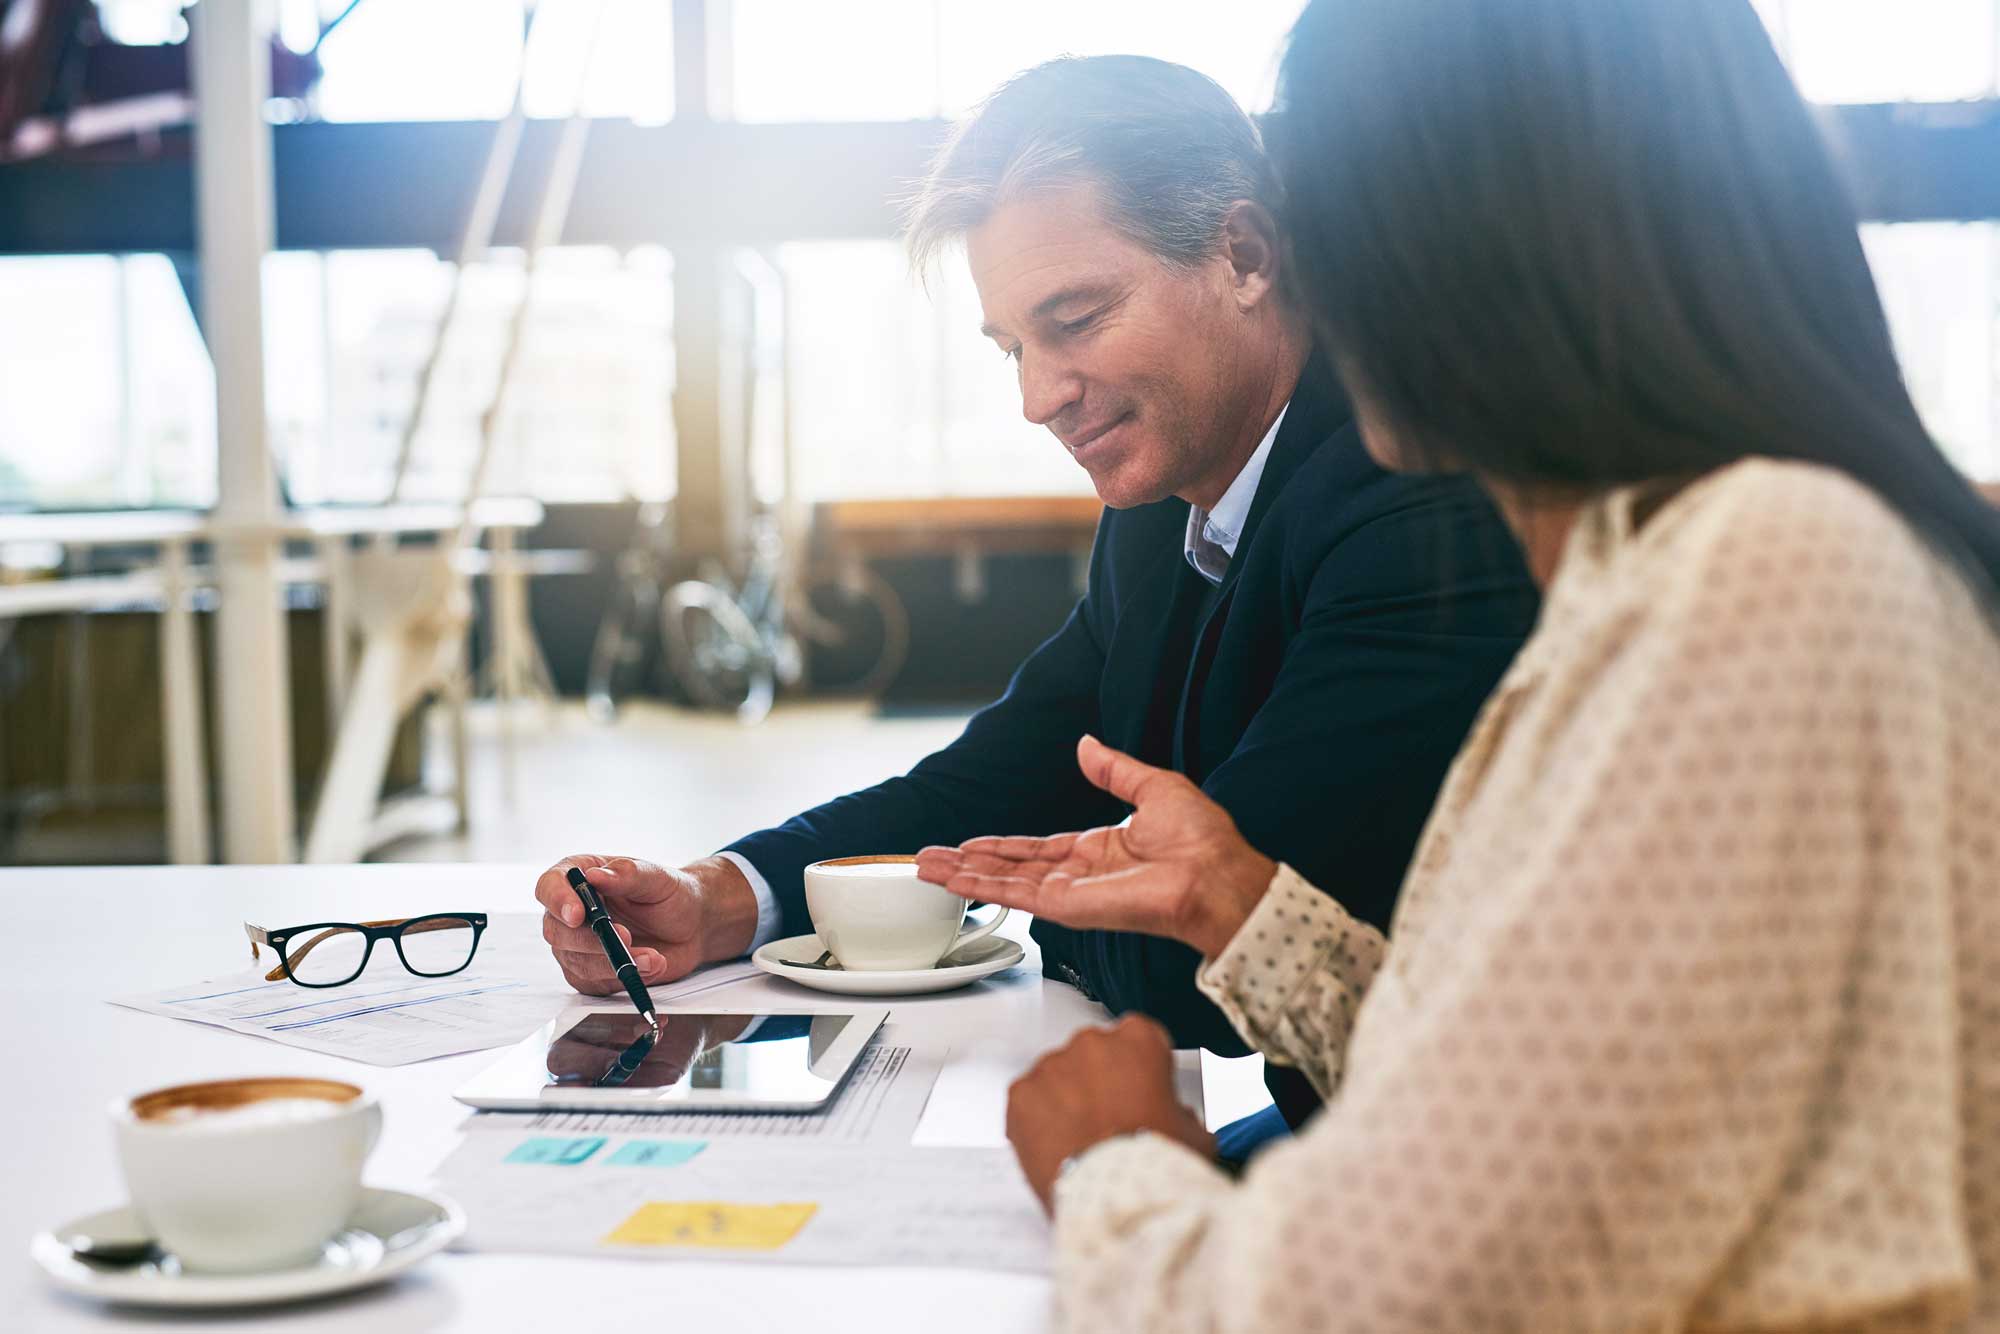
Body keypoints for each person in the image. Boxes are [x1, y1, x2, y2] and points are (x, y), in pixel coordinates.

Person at [919, 0, 2000, 1328]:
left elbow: (1375, 1293)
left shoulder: (1768, 567)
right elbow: (1556, 1102)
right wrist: (1249, 911)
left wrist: (1114, 1164)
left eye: (1336, 212)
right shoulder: (1661, 549)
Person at [533, 55, 1536, 1152]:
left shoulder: (1409, 499)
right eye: (1013, 345)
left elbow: (1192, 953)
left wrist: (1026, 903)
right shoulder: (1170, 485)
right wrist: (731, 892)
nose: (1035, 396)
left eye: (1075, 318)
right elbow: (1019, 757)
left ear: (1244, 255)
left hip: (1453, 1161)